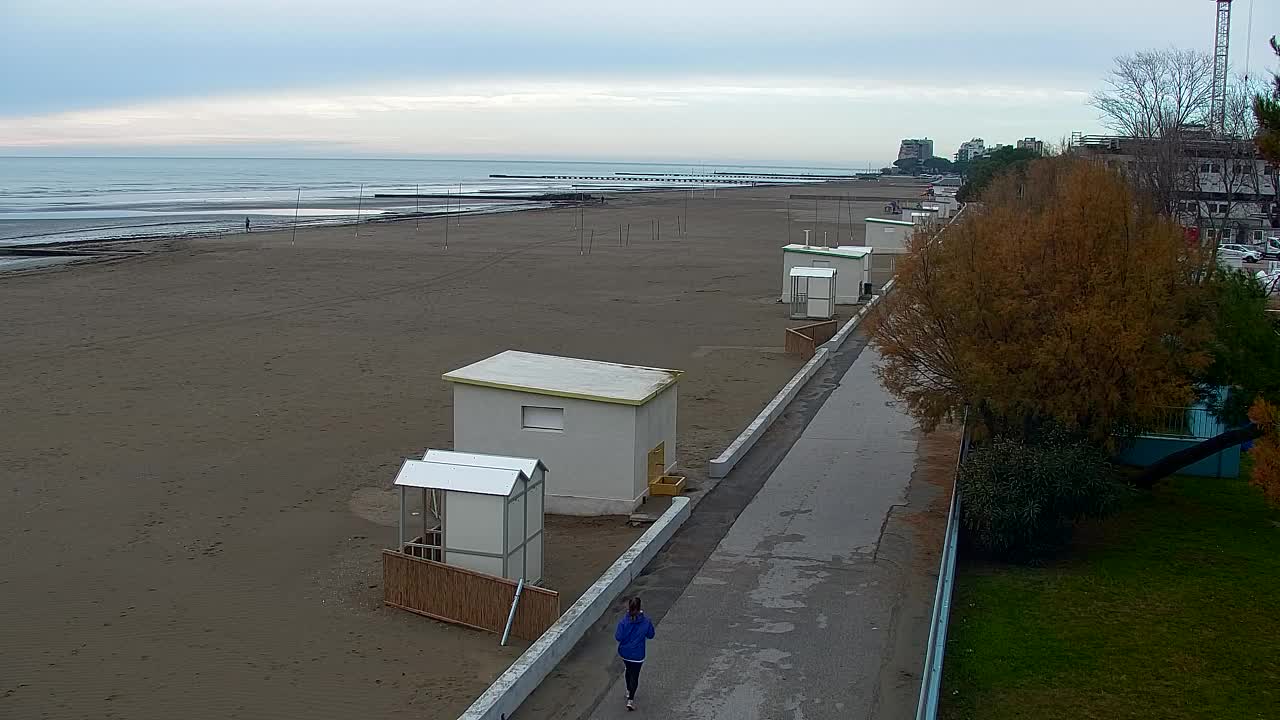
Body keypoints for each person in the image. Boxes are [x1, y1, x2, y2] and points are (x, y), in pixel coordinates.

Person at [614, 596, 655, 711]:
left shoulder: (623, 621)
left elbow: (618, 637)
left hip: (625, 653)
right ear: (640, 607)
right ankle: (630, 700)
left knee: (628, 670)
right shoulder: (646, 621)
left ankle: (628, 690)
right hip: (638, 655)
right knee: (635, 676)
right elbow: (651, 635)